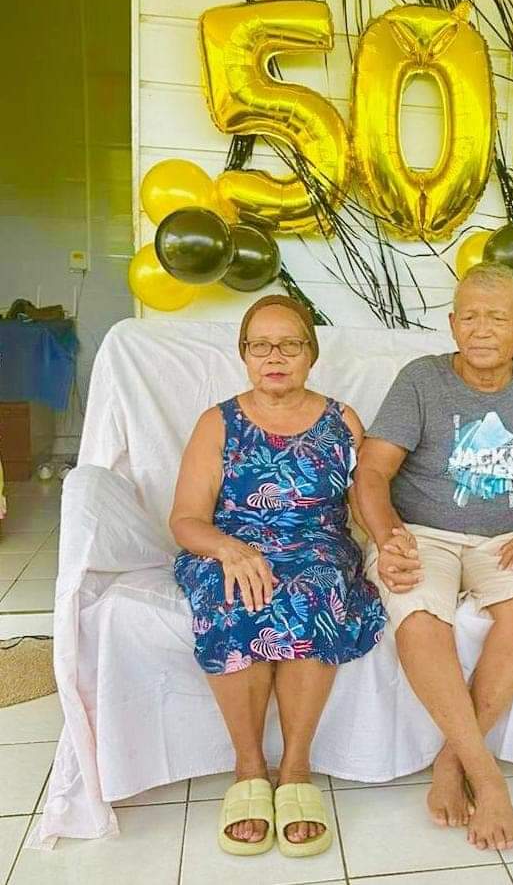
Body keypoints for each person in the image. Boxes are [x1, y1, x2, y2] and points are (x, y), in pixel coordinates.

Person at [355, 263, 513, 853]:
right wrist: (388, 536)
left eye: (497, 317)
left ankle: (453, 760)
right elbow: (371, 469)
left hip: (506, 538)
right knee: (419, 617)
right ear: (452, 324)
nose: (481, 329)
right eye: (469, 317)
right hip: (420, 531)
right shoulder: (421, 379)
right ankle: (488, 777)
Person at [170, 295, 386, 857]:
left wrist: (392, 543)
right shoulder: (218, 422)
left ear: (311, 353)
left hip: (319, 544)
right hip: (228, 544)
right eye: (260, 345)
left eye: (290, 344)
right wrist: (229, 548)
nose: (275, 356)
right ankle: (248, 768)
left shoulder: (342, 421)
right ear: (243, 354)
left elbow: (365, 506)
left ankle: (295, 769)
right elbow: (186, 519)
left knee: (314, 591)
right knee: (232, 595)